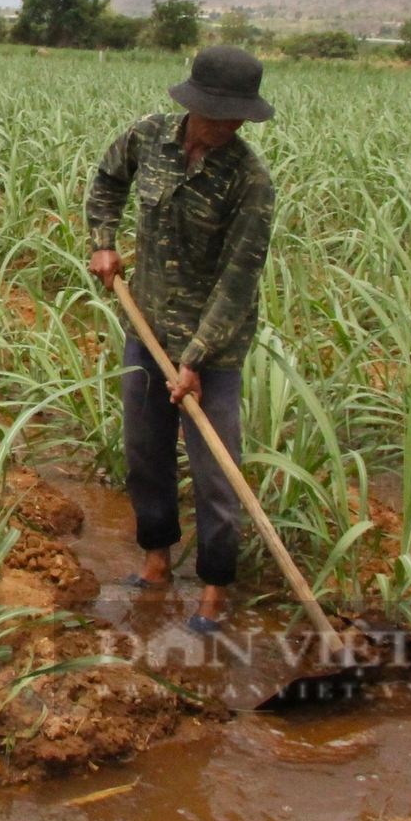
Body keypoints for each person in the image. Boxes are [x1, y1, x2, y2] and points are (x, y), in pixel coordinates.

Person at [85, 45, 275, 634]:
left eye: (238, 116)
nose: (229, 126)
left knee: (217, 472)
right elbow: (106, 182)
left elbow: (239, 282)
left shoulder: (249, 180)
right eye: (219, 113)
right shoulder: (149, 137)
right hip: (146, 326)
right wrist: (103, 240)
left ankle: (215, 591)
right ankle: (156, 561)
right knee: (145, 454)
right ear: (194, 103)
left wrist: (194, 359)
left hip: (212, 350)